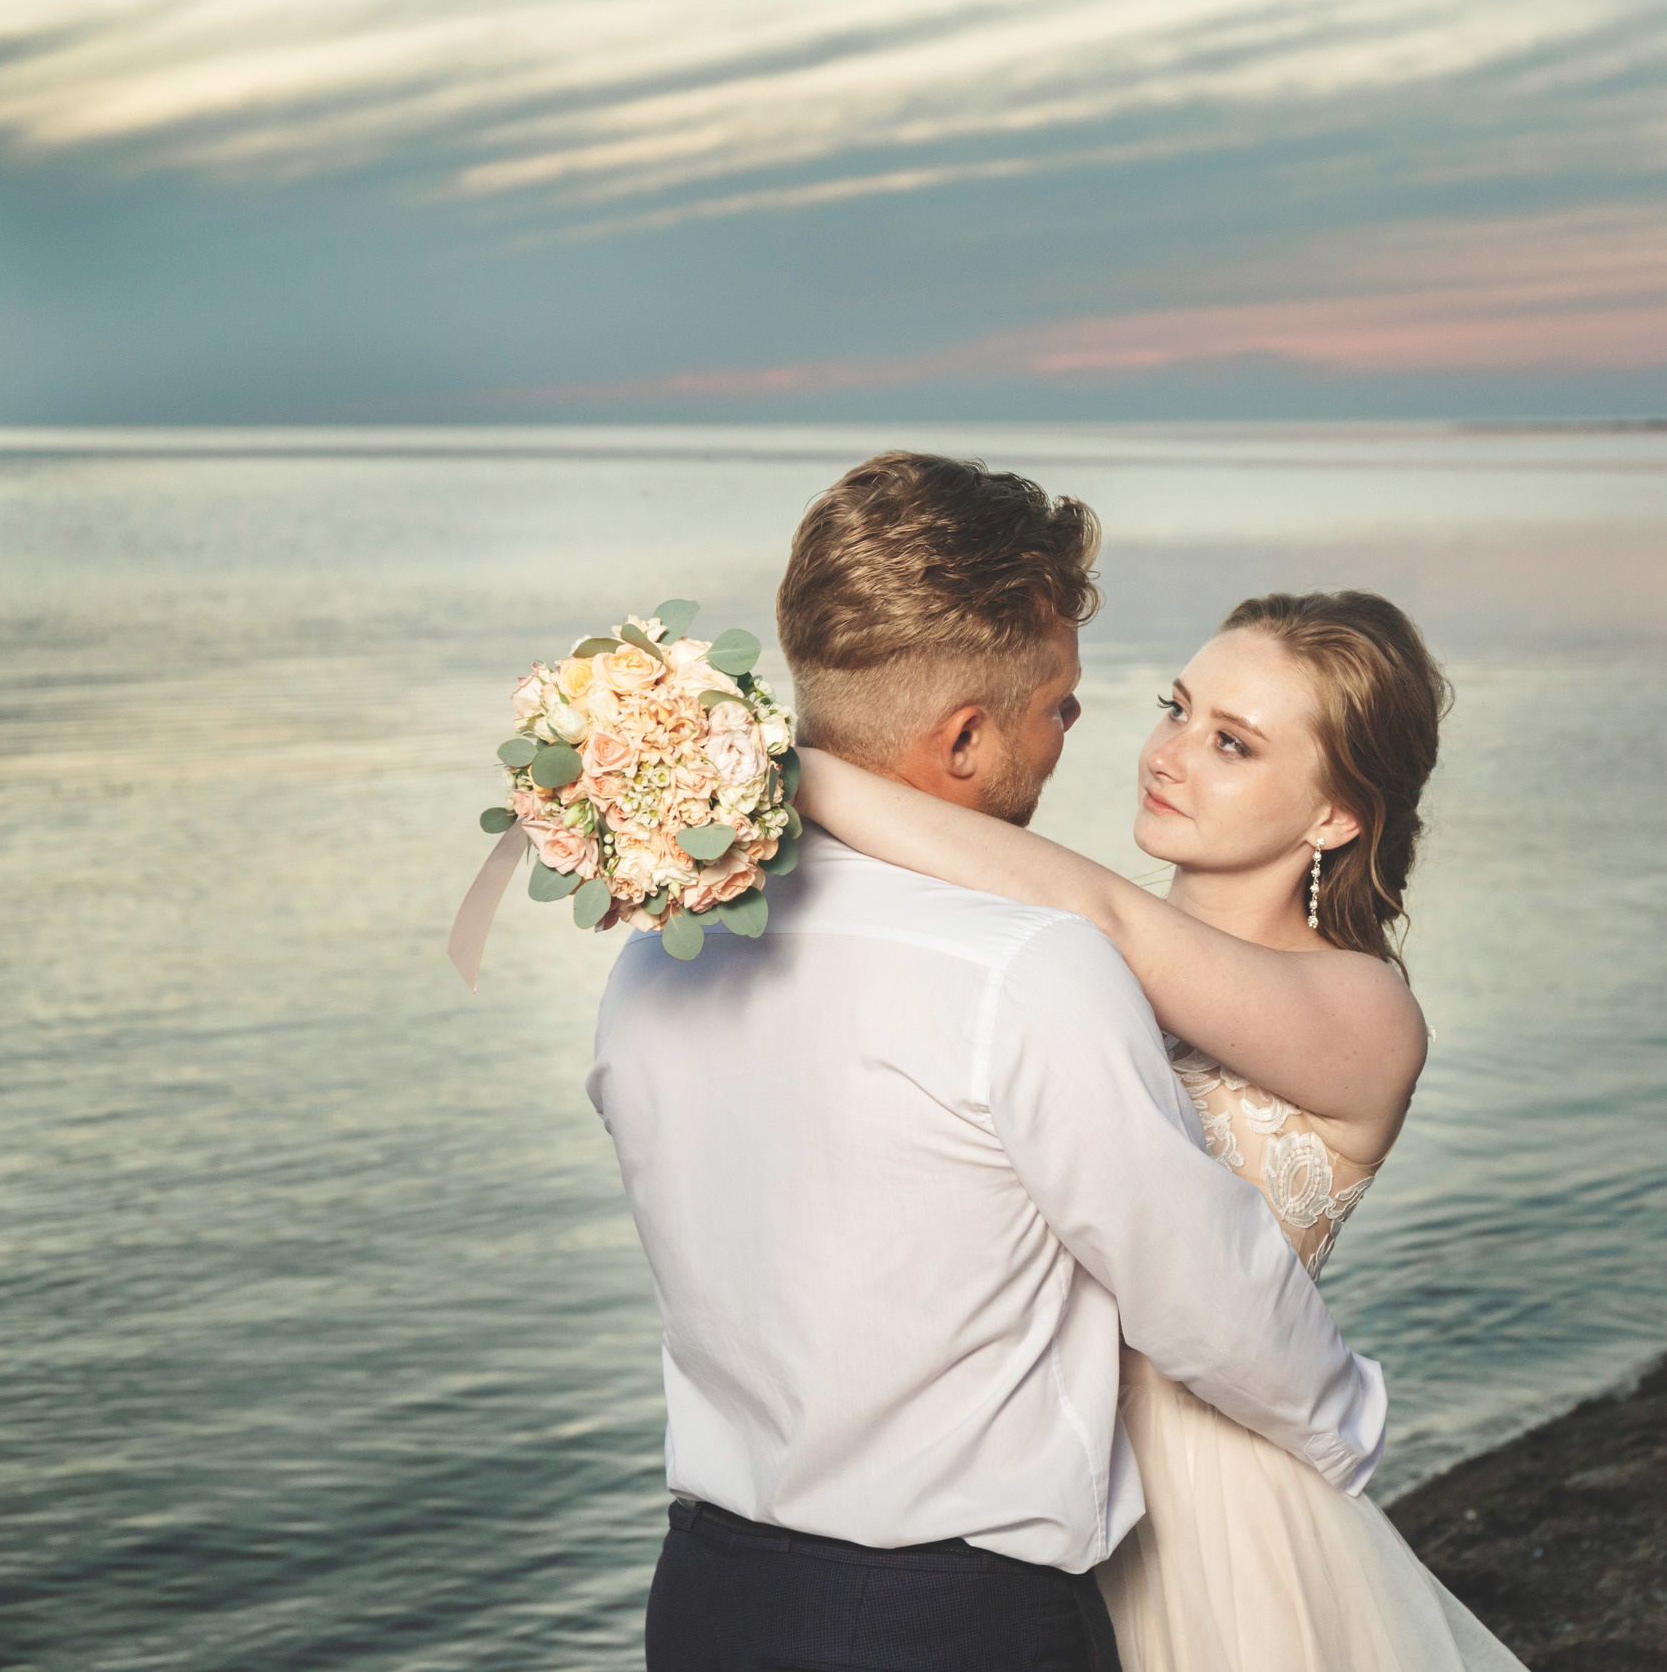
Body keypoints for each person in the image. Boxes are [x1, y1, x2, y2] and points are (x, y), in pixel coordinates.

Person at [586, 452, 1389, 1672]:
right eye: (1058, 704)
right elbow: (1203, 1289)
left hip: (704, 1600)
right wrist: (1345, 1435)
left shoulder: (658, 956)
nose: (1090, 735)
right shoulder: (1029, 972)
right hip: (948, 1623)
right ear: (965, 737)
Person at [794, 588, 1528, 1667]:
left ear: (1335, 814)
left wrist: (778, 769)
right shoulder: (1061, 956)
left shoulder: (1366, 1013)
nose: (1168, 754)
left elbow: (1106, 915)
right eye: (1174, 707)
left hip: (1212, 1523)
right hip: (1012, 1487)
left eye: (1230, 743)